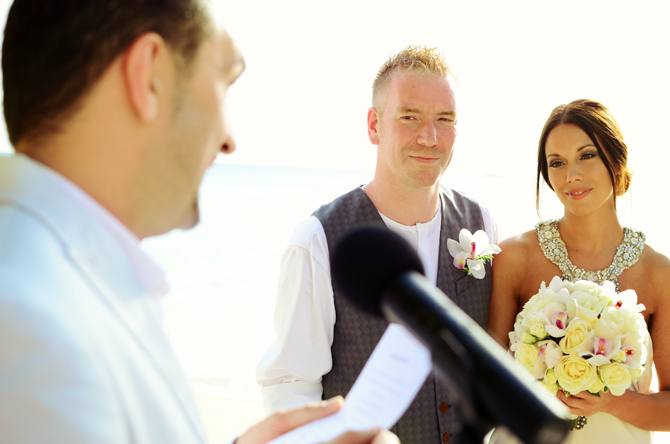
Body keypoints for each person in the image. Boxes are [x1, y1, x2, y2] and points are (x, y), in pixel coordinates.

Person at [0, 1, 398, 444]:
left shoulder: (63, 282)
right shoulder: (32, 325)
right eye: (225, 82)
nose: (229, 140)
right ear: (149, 76)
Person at [257, 46, 498, 444]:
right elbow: (290, 385)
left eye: (445, 119)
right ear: (374, 126)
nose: (429, 136)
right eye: (409, 117)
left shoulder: (482, 222)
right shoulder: (317, 239)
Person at [487, 99, 670, 443]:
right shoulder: (515, 258)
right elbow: (486, 381)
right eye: (557, 163)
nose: (571, 176)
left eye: (587, 155)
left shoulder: (659, 273)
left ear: (616, 159)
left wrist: (617, 402)